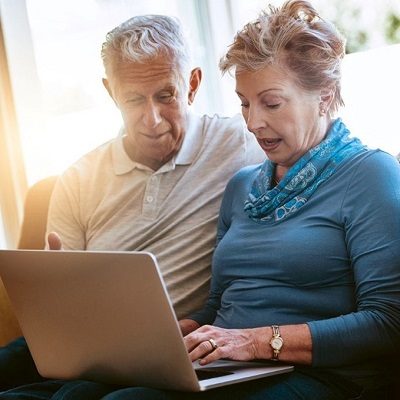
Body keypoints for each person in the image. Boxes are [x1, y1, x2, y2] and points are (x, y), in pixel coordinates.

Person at [38, 1, 399, 399]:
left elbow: (389, 321)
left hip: (318, 375)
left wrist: (256, 342)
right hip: (231, 368)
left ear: (325, 96)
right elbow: (218, 305)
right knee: (80, 395)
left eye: (272, 103)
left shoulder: (370, 173)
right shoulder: (242, 185)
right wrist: (175, 335)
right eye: (244, 103)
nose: (253, 122)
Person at [0, 14, 264, 398]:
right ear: (111, 93)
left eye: (166, 95)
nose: (152, 120)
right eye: (134, 99)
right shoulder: (79, 178)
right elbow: (57, 314)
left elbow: (318, 145)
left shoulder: (242, 145)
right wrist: (52, 285)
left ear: (191, 84)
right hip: (82, 344)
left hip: (165, 353)